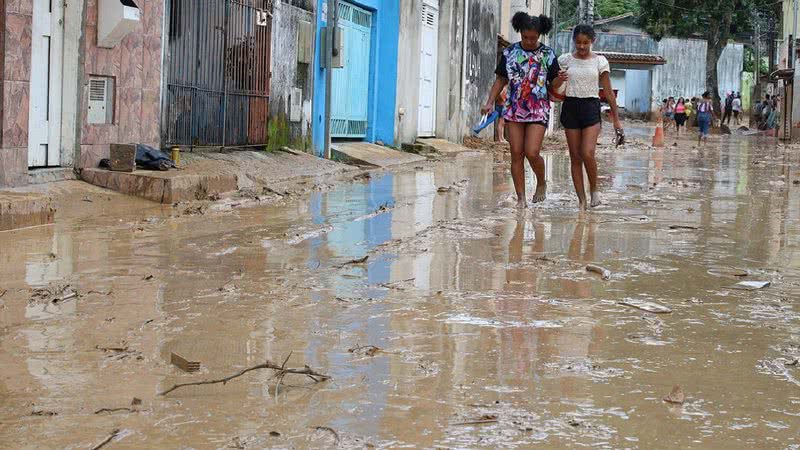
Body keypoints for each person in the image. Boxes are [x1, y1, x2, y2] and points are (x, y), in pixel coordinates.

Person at [483, 12, 563, 207]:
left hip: (538, 109)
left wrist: (561, 78)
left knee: (532, 151)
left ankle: (541, 182)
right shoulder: (509, 53)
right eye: (525, 37)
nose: (529, 41)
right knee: (516, 153)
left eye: (533, 38)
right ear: (520, 33)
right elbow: (501, 79)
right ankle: (521, 198)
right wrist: (489, 102)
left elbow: (555, 84)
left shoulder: (548, 54)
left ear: (539, 35)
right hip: (513, 109)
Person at [558, 24, 623, 210]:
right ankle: (581, 200)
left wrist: (616, 120)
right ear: (574, 41)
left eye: (585, 43)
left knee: (587, 152)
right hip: (570, 106)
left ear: (592, 41)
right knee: (575, 157)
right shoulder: (564, 60)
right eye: (578, 42)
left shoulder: (600, 61)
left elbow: (609, 92)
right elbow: (554, 85)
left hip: (591, 107)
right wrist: (558, 78)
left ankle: (594, 189)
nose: (582, 46)